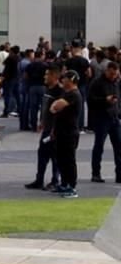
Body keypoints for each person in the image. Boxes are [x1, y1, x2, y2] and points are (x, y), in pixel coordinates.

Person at [26, 64, 63, 191]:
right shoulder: (48, 89)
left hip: (54, 128)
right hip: (47, 126)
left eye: (47, 74)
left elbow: (59, 112)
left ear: (54, 76)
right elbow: (45, 106)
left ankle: (55, 181)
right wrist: (42, 120)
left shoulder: (59, 91)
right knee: (42, 153)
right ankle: (39, 179)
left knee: (55, 155)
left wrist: (54, 128)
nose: (45, 76)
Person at [50, 70, 82, 198]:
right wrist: (54, 130)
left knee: (69, 160)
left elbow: (56, 106)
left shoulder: (73, 94)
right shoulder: (67, 93)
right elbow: (55, 108)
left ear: (71, 80)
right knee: (61, 159)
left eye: (65, 78)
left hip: (70, 132)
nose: (62, 80)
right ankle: (64, 183)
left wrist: (55, 106)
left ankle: (72, 186)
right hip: (61, 130)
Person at [87, 61, 121, 183]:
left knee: (119, 147)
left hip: (114, 117)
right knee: (99, 146)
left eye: (115, 74)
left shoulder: (116, 82)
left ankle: (119, 174)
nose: (113, 76)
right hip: (101, 118)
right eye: (111, 74)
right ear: (106, 71)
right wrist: (105, 100)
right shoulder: (97, 83)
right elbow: (90, 100)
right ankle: (96, 173)